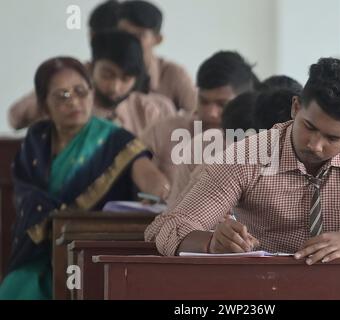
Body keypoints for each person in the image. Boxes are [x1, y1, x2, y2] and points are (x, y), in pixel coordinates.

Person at [145, 57, 340, 263]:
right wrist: (211, 244)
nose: (315, 145)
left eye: (332, 138)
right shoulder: (247, 155)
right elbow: (169, 227)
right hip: (260, 291)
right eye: (309, 127)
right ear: (295, 107)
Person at [0, 57, 169, 300]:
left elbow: (155, 183)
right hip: (38, 250)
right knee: (17, 287)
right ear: (45, 105)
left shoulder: (115, 139)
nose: (75, 102)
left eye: (81, 92)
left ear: (91, 93)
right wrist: (52, 219)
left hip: (92, 249)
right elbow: (26, 195)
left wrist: (160, 194)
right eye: (63, 96)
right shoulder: (37, 139)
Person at [8, 31, 176, 136]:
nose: (115, 87)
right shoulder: (68, 98)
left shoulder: (151, 110)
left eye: (125, 79)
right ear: (90, 67)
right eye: (107, 75)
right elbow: (15, 118)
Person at [140, 51, 259, 184]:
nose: (210, 113)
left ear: (244, 102)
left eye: (222, 104)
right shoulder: (163, 131)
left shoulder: (256, 144)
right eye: (204, 101)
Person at [118, 0, 197, 112]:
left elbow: (200, 115)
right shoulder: (101, 71)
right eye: (123, 34)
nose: (129, 42)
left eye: (139, 35)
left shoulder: (174, 74)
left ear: (157, 40)